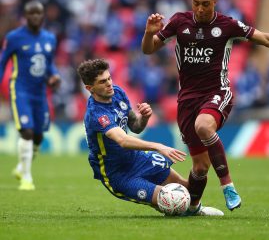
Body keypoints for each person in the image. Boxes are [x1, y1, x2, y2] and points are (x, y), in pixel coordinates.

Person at [141, 0, 269, 212]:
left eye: (205, 4)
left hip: (217, 93)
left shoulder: (227, 25)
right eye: (196, 3)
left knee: (204, 126)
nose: (200, 9)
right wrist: (148, 33)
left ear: (215, 2)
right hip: (187, 100)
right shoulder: (179, 22)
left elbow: (265, 38)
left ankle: (228, 186)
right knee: (200, 168)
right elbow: (148, 49)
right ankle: (192, 208)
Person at [77, 59, 223, 216]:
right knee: (171, 199)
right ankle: (186, 211)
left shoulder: (118, 93)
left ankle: (196, 209)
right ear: (90, 88)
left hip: (137, 159)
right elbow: (123, 140)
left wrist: (144, 117)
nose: (109, 84)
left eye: (109, 78)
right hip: (118, 174)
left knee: (186, 190)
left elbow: (135, 126)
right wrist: (158, 146)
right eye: (102, 82)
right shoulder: (96, 114)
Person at [0, 0, 61, 191]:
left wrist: (54, 75)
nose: (35, 16)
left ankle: (21, 166)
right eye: (31, 13)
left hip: (40, 92)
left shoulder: (50, 38)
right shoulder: (14, 37)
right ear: (25, 16)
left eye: (38, 13)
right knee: (25, 131)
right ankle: (26, 177)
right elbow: (2, 62)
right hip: (21, 90)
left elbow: (49, 63)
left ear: (43, 16)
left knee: (38, 136)